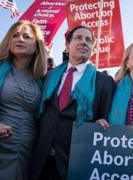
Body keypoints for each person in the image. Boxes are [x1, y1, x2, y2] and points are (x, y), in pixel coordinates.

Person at [29, 25, 116, 180]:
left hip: (75, 163)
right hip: (41, 159)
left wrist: (102, 122)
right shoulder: (49, 75)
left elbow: (106, 119)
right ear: (67, 46)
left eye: (88, 40)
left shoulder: (104, 82)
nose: (83, 42)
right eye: (78, 38)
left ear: (92, 49)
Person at [0, 20, 47, 180]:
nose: (20, 39)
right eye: (15, 35)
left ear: (37, 46)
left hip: (27, 153)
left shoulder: (42, 80)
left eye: (26, 36)